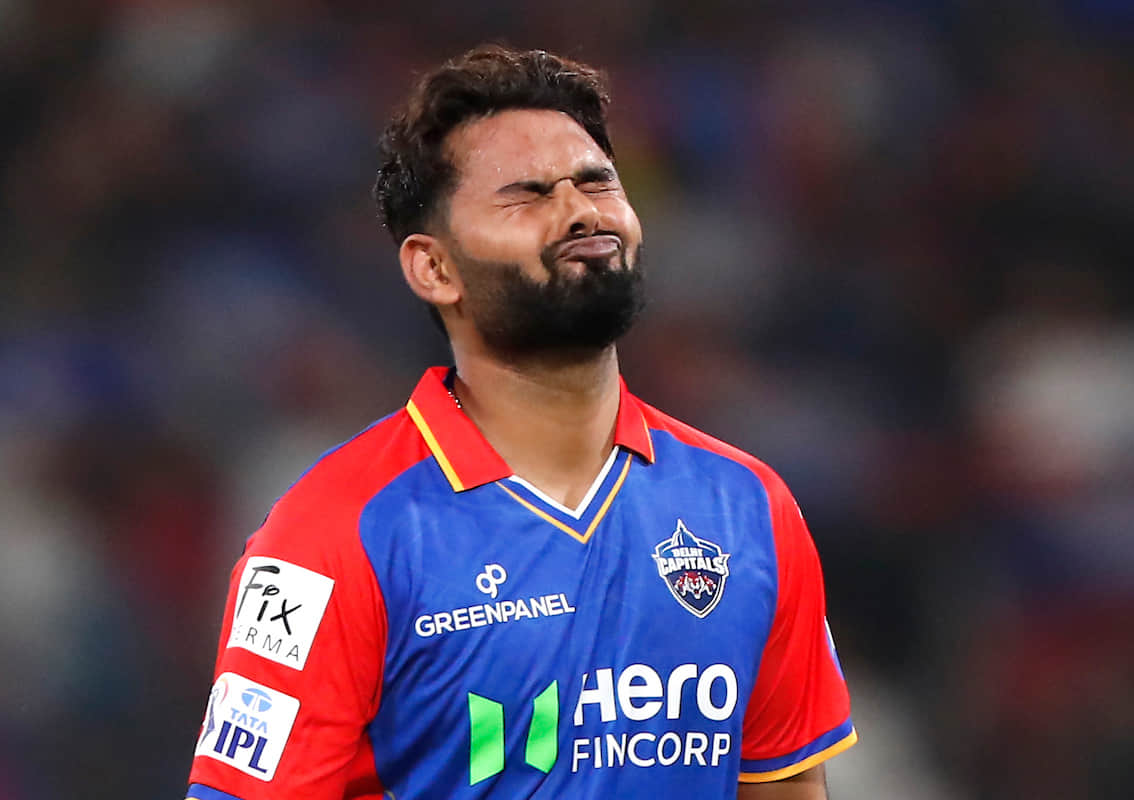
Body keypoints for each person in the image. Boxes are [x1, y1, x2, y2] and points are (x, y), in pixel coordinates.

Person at [185, 45, 855, 800]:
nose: (580, 210)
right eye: (528, 195)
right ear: (434, 268)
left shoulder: (748, 507)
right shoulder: (331, 535)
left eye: (597, 181)